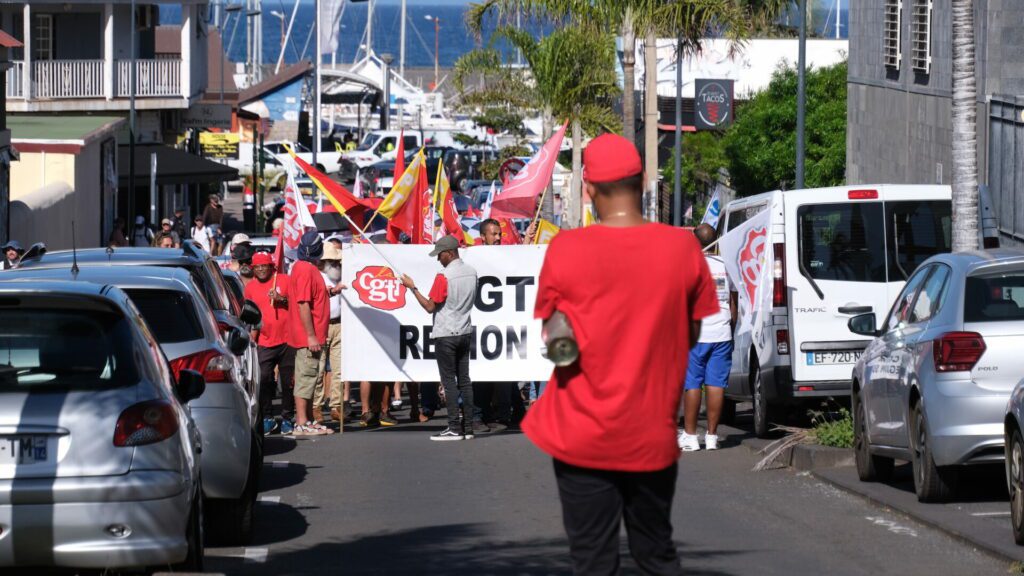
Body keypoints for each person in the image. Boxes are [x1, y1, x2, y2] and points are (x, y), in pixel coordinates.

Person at [522, 133, 719, 575]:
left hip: (580, 434)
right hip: (649, 433)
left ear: (588, 191)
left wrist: (579, 350)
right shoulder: (683, 248)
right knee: (656, 554)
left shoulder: (566, 249)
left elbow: (558, 344)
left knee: (592, 561)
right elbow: (692, 332)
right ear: (645, 181)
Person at [401, 234, 482, 441]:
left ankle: (454, 427)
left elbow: (429, 307)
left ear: (449, 253)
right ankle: (468, 428)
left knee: (449, 382)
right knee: (465, 381)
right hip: (465, 331)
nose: (438, 259)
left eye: (440, 255)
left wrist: (412, 288)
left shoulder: (444, 276)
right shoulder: (472, 272)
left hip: (446, 333)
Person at [679, 223, 737, 452]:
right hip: (721, 331)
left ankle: (691, 436)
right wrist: (730, 327)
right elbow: (734, 303)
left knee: (693, 384)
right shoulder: (727, 266)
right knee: (716, 384)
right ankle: (712, 437)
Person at [245, 251, 297, 435]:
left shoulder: (284, 280)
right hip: (265, 341)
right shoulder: (250, 288)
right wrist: (252, 337)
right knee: (264, 378)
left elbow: (298, 306)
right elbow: (251, 316)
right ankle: (267, 417)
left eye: (264, 266)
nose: (260, 269)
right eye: (257, 267)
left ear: (271, 266)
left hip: (288, 339)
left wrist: (281, 299)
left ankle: (287, 418)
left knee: (288, 381)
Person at [289, 231, 334, 436]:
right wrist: (311, 335)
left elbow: (312, 298)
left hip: (312, 335)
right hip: (308, 336)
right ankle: (301, 422)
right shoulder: (305, 269)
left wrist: (332, 291)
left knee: (311, 378)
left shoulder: (304, 268)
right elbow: (303, 304)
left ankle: (307, 420)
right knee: (306, 378)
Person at [313, 241, 347, 425]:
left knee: (339, 369)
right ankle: (316, 407)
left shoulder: (342, 276)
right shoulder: (318, 277)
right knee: (319, 369)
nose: (336, 265)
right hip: (322, 326)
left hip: (339, 325)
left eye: (337, 261)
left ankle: (336, 405)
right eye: (332, 262)